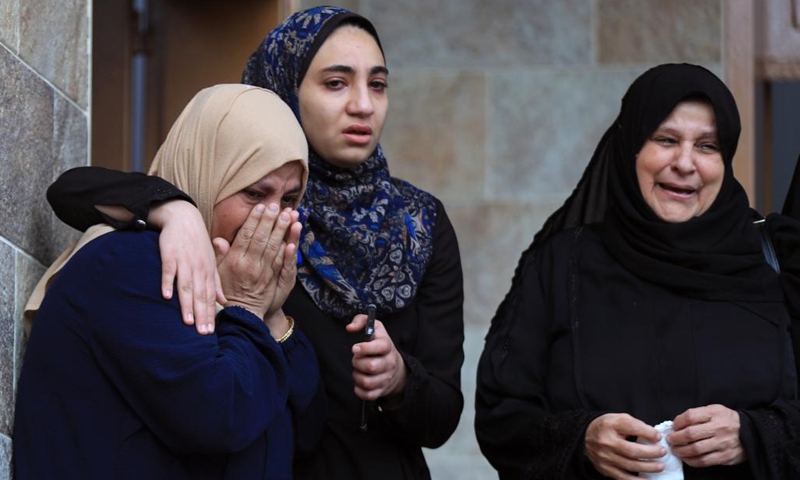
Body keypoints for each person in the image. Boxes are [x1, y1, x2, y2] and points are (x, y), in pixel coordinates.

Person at [43, 6, 465, 480]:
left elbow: (434, 409)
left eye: (379, 84)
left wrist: (400, 379)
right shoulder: (182, 237)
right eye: (336, 83)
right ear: (285, 90)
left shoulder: (418, 222)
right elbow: (68, 189)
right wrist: (174, 209)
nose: (363, 104)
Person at [475, 63, 800, 480]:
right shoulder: (560, 267)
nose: (685, 163)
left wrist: (754, 434)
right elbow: (500, 414)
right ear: (631, 148)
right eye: (665, 140)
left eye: (707, 146)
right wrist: (582, 439)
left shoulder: (778, 262)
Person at [14, 84, 326, 480]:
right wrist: (245, 304)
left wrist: (274, 317)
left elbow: (308, 434)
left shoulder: (234, 286)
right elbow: (221, 416)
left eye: (288, 201)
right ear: (207, 173)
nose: (271, 219)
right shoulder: (134, 262)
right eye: (254, 193)